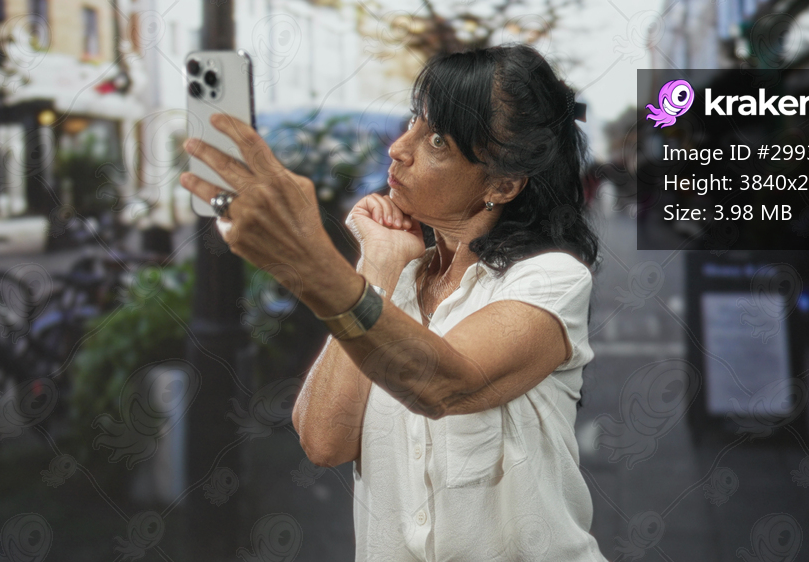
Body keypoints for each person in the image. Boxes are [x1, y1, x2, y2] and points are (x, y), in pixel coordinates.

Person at [180, 44, 606, 561]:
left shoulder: (550, 279)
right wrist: (376, 266)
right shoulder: (393, 282)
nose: (399, 149)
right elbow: (323, 441)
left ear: (502, 183)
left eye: (437, 140)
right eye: (412, 122)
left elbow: (444, 382)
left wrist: (312, 262)